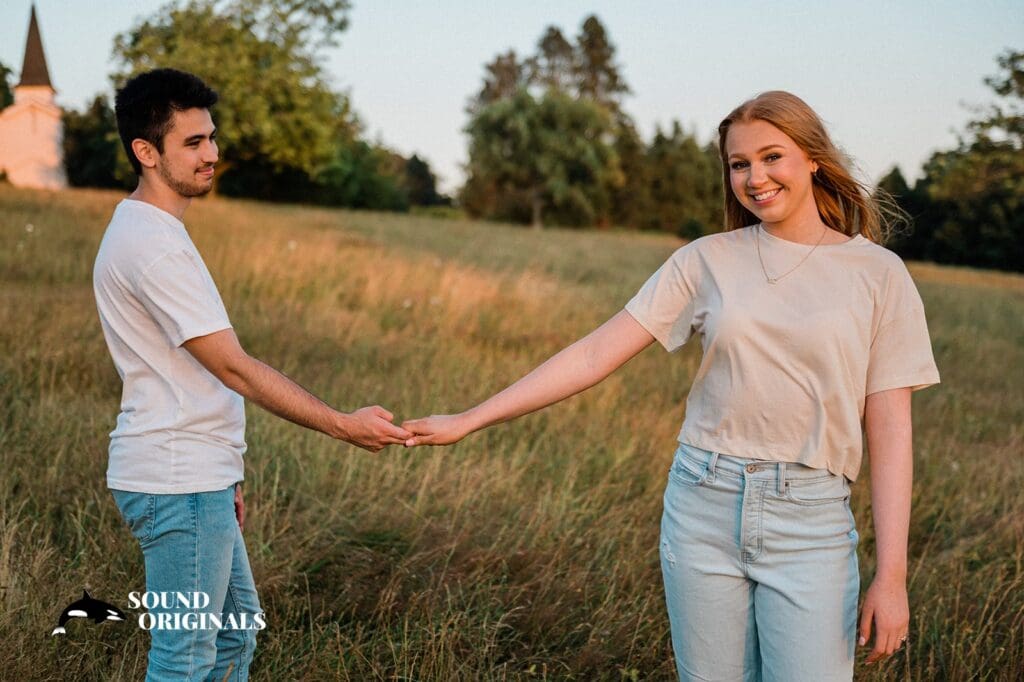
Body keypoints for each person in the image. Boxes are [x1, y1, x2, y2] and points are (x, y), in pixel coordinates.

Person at [402, 90, 940, 680]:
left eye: (771, 157)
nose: (755, 177)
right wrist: (469, 418)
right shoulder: (704, 260)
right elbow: (593, 354)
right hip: (703, 502)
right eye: (739, 164)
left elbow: (890, 426)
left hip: (810, 521)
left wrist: (892, 577)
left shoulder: (878, 275)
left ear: (813, 158)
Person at [93, 68, 412, 681]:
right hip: (176, 480)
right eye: (192, 143)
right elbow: (234, 366)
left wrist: (225, 472)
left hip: (197, 475)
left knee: (236, 631)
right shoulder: (153, 245)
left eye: (211, 137)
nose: (212, 153)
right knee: (184, 659)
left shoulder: (151, 229)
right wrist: (344, 426)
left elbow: (190, 372)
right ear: (146, 153)